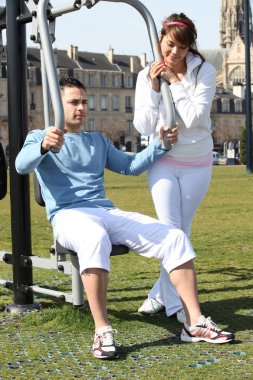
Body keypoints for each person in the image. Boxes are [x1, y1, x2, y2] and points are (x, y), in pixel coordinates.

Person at [15, 77, 233, 360]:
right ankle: (102, 329)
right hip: (68, 215)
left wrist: (161, 145)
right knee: (94, 236)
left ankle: (194, 322)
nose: (81, 108)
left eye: (84, 102)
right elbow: (21, 166)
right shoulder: (40, 136)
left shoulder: (97, 141)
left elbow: (130, 166)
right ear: (57, 105)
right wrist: (43, 146)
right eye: (73, 102)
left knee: (175, 237)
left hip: (105, 211)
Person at [134, 13, 216, 323]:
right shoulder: (147, 74)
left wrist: (174, 81)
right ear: (160, 42)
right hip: (163, 161)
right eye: (170, 46)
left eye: (181, 48)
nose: (174, 54)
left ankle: (160, 293)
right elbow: (142, 125)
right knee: (172, 233)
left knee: (181, 232)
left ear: (189, 48)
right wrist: (155, 86)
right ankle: (178, 307)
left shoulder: (204, 71)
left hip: (197, 162)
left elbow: (195, 119)